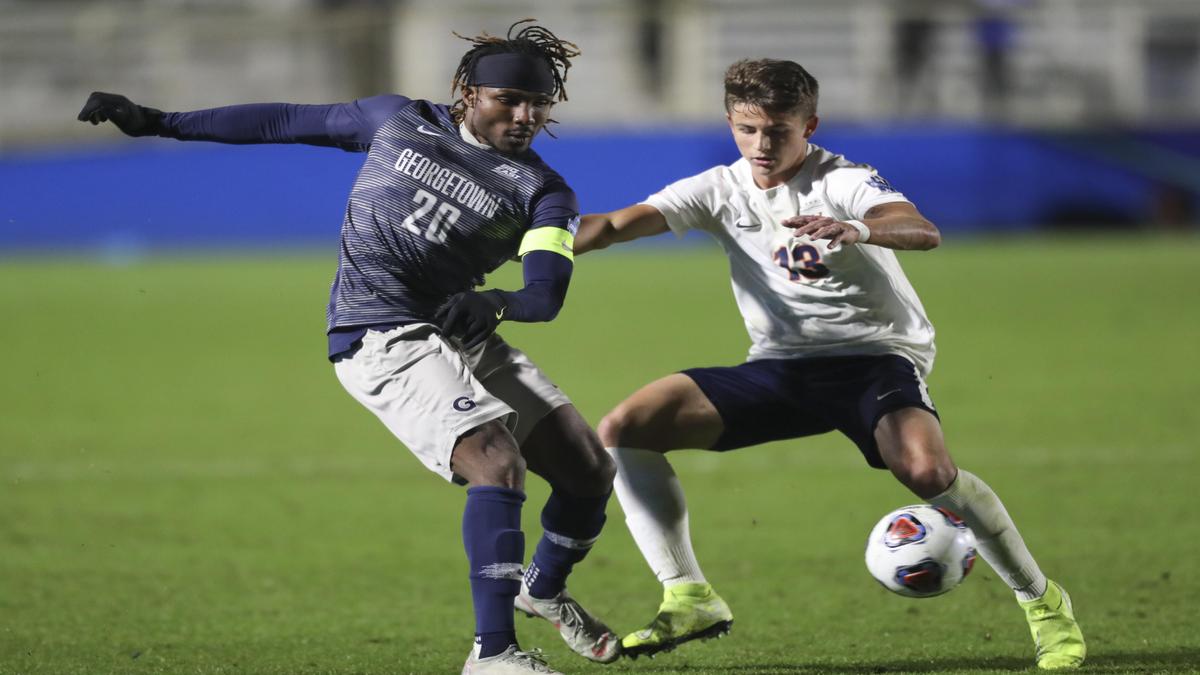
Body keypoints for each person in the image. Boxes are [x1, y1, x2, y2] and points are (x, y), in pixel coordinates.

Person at [78, 19, 620, 675]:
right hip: (379, 331)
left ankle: (542, 588)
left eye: (537, 104)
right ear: (465, 91)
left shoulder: (543, 191)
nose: (525, 115)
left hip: (460, 327)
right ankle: (494, 653)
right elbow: (281, 120)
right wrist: (157, 121)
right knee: (496, 461)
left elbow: (546, 294)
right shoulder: (396, 121)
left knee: (589, 470)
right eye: (509, 99)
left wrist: (497, 301)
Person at [573, 58, 1087, 671]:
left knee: (926, 471)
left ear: (808, 125)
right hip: (782, 366)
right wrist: (524, 238)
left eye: (779, 131)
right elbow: (609, 225)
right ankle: (689, 595)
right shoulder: (718, 188)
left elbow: (919, 229)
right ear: (732, 123)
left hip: (873, 358)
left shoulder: (841, 179)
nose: (761, 145)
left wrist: (855, 229)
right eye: (747, 128)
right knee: (626, 428)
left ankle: (1044, 604)